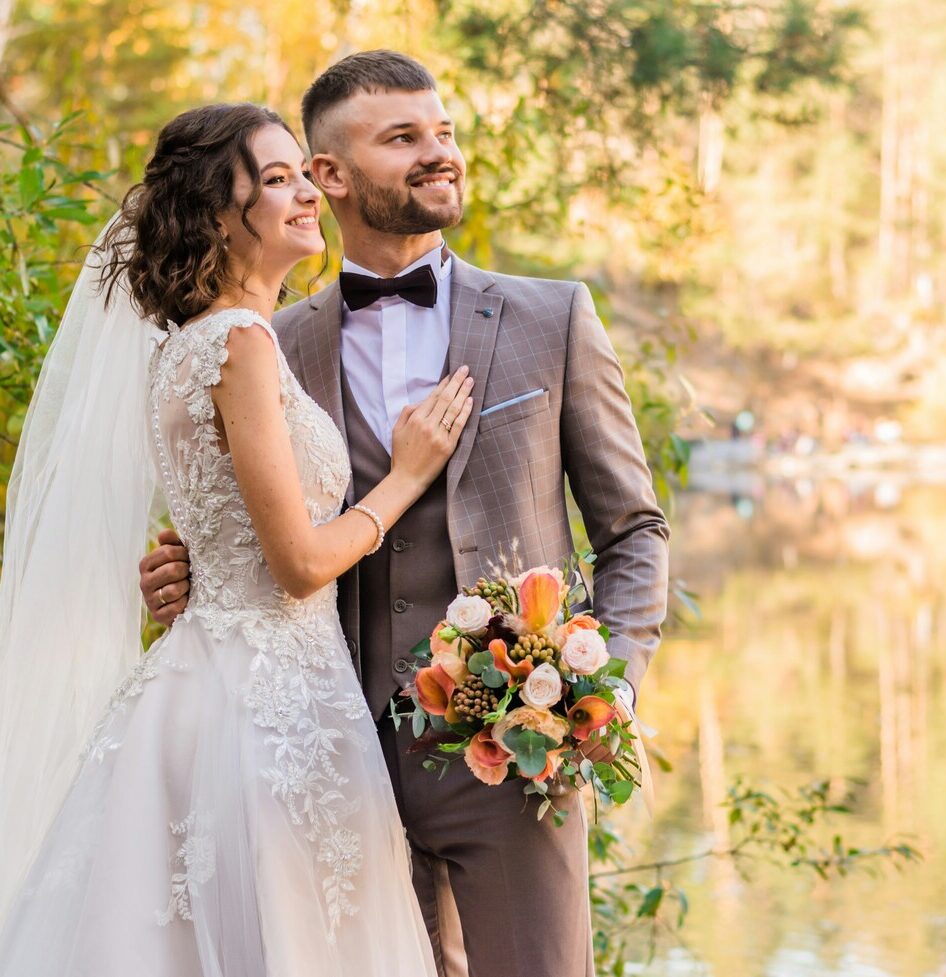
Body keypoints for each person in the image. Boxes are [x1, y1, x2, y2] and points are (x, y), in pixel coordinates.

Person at [142, 50, 671, 977]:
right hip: (323, 755)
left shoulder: (554, 319)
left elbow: (634, 531)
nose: (439, 154)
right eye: (404, 138)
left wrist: (605, 689)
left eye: (444, 133)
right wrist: (187, 567)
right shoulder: (269, 335)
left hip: (511, 756)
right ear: (329, 176)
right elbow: (256, 515)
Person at [0, 101, 476, 975]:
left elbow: (216, 535)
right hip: (270, 705)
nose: (307, 194)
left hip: (203, 684)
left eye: (305, 173)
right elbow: (295, 566)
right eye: (278, 179)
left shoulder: (180, 349)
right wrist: (406, 477)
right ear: (223, 216)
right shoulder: (244, 343)